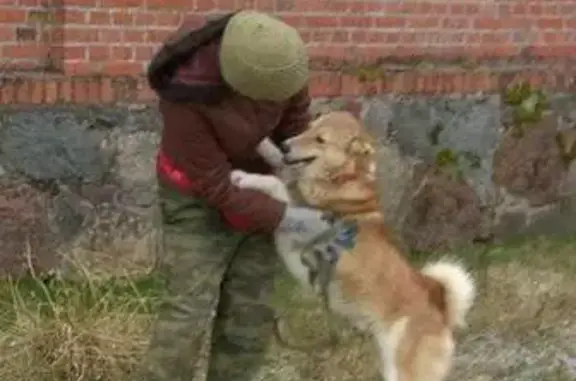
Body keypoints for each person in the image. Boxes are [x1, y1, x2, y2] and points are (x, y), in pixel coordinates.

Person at [137, 10, 335, 381]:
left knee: (250, 311)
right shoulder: (185, 93)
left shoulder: (282, 65)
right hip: (195, 196)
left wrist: (305, 182)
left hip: (262, 184)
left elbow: (294, 130)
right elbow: (216, 188)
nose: (284, 96)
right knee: (187, 312)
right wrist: (291, 219)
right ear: (239, 83)